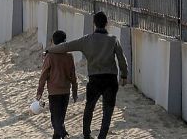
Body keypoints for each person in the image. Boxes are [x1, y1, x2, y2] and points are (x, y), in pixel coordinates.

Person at [46, 11, 128, 139]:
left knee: (89, 107)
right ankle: (102, 136)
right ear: (106, 24)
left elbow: (66, 46)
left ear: (94, 23)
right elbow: (121, 59)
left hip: (95, 78)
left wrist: (49, 50)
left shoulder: (86, 40)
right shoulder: (113, 40)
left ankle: (87, 134)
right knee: (108, 110)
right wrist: (124, 75)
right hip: (110, 78)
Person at [38, 30, 78, 139]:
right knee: (60, 119)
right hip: (65, 91)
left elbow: (43, 75)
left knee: (55, 120)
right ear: (65, 41)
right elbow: (73, 76)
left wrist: (39, 93)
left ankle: (64, 135)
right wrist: (75, 92)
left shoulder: (50, 56)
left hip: (54, 92)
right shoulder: (69, 56)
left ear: (53, 41)